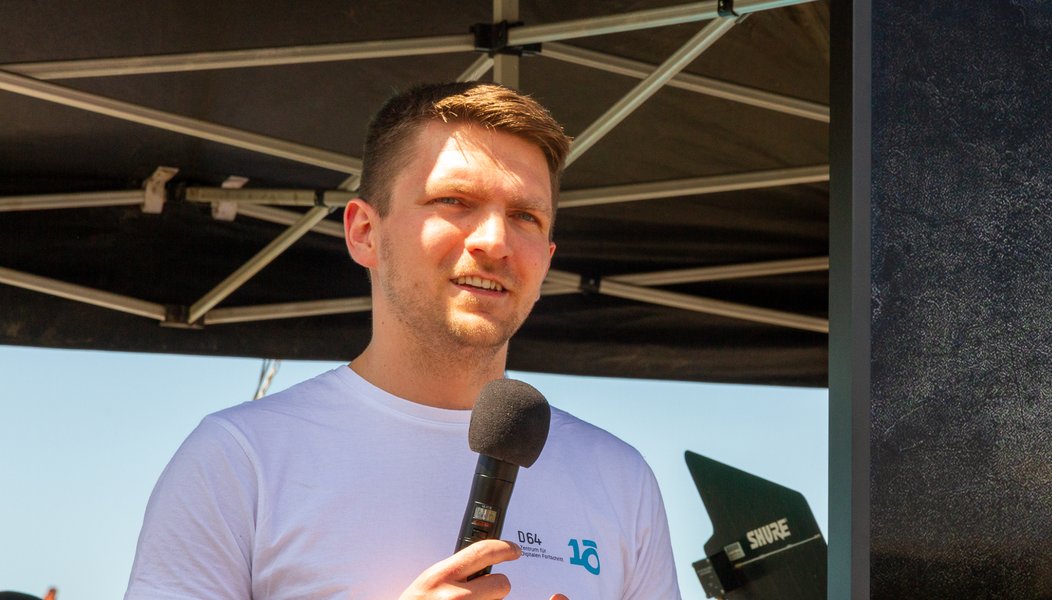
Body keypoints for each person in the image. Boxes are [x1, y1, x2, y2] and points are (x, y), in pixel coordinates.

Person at [124, 82, 682, 599]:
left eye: (526, 216)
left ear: (547, 259)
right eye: (455, 202)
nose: (495, 240)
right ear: (365, 232)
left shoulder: (619, 479)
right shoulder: (239, 460)